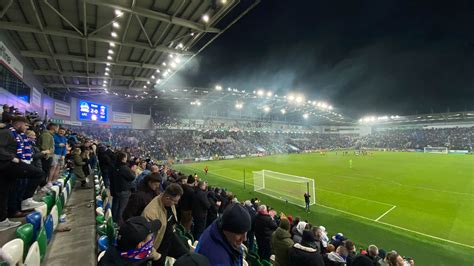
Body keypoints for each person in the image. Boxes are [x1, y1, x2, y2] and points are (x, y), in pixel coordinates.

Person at [0, 116, 44, 231]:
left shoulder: (17, 135)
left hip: (9, 167)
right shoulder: (6, 133)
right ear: (19, 124)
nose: (25, 128)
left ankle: (6, 217)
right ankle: (26, 200)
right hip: (7, 165)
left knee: (8, 192)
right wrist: (12, 158)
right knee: (38, 173)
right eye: (25, 125)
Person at [142, 183, 188, 266]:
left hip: (170, 236)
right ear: (167, 198)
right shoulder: (150, 213)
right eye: (175, 201)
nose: (176, 203)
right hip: (159, 244)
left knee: (187, 256)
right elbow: (146, 241)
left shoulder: (169, 203)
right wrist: (156, 256)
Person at [112, 152, 136, 225]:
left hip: (118, 188)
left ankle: (115, 219)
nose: (126, 158)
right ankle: (120, 223)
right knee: (123, 208)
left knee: (118, 206)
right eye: (125, 157)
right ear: (123, 159)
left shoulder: (116, 165)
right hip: (124, 190)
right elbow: (132, 177)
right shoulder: (124, 168)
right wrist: (133, 171)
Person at [38, 123, 57, 188]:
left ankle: (42, 185)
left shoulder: (49, 135)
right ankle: (42, 186)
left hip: (47, 156)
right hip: (45, 157)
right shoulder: (46, 135)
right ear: (54, 128)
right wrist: (47, 156)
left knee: (46, 171)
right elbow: (45, 147)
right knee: (44, 172)